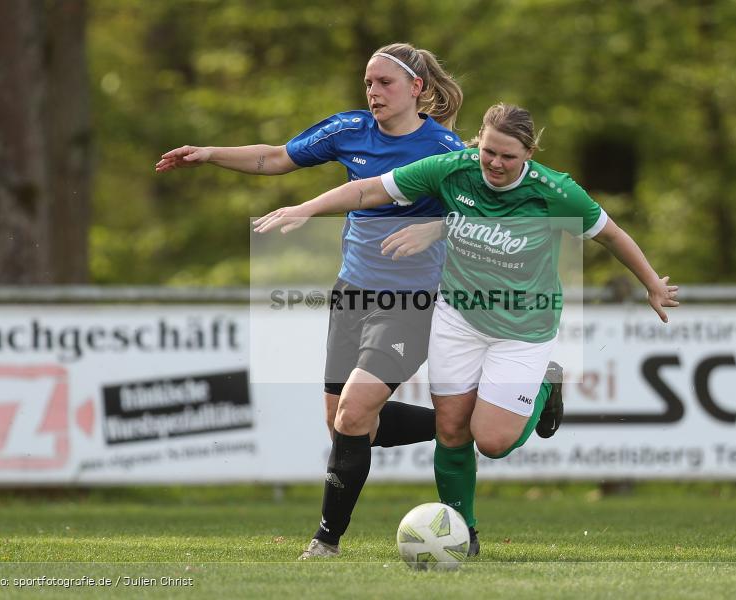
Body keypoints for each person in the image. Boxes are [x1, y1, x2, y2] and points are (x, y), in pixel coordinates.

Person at [253, 102, 680, 536]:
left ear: (528, 154)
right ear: (479, 142)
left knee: (492, 441)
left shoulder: (555, 191)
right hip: (457, 322)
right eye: (488, 151)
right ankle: (462, 531)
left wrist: (651, 284)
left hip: (523, 330)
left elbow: (610, 234)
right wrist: (305, 207)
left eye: (507, 156)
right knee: (451, 429)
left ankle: (545, 386)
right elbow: (368, 190)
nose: (495, 162)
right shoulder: (453, 170)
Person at [156, 43, 477, 560]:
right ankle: (466, 418)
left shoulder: (443, 147)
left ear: (417, 88)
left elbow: (476, 212)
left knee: (352, 416)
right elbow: (275, 158)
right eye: (367, 82)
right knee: (347, 423)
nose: (372, 91)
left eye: (384, 83)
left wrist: (433, 228)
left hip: (412, 300)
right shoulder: (348, 130)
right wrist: (210, 154)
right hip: (352, 293)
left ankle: (325, 544)